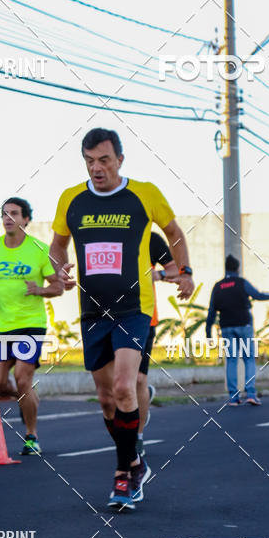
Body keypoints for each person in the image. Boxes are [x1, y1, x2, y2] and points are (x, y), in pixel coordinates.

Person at [50, 128, 194, 511]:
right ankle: (134, 461)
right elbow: (58, 244)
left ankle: (123, 474)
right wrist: (59, 270)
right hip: (92, 309)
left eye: (104, 160)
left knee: (125, 388)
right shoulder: (72, 199)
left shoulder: (144, 194)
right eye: (89, 160)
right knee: (105, 400)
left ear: (120, 160)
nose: (96, 168)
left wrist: (186, 270)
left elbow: (174, 232)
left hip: (134, 308)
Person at [0, 197, 64, 456]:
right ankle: (26, 398)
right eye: (5, 214)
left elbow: (58, 286)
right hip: (1, 326)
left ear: (26, 219)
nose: (8, 218)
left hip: (31, 325)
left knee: (23, 378)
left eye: (14, 213)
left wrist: (39, 289)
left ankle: (31, 436)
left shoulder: (39, 249)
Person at [205, 254, 269, 406]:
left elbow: (212, 310)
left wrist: (208, 331)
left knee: (231, 360)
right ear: (237, 268)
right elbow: (259, 295)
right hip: (244, 326)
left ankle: (233, 397)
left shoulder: (218, 286)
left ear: (226, 269)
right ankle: (250, 393)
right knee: (248, 359)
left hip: (227, 328)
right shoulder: (241, 282)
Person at [136, 231, 179, 458]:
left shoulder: (151, 239)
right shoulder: (106, 234)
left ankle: (138, 437)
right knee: (114, 387)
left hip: (144, 318)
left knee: (138, 379)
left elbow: (176, 270)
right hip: (109, 319)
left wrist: (158, 274)